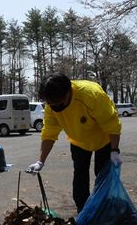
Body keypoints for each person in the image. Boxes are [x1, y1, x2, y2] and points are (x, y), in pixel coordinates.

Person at [27, 73, 123, 214]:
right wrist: (40, 161)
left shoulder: (91, 95)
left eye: (58, 103)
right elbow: (49, 133)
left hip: (103, 139)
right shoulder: (52, 105)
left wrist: (114, 150)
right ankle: (83, 210)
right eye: (51, 104)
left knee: (102, 175)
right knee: (80, 175)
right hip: (78, 141)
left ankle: (103, 210)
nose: (55, 107)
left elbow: (112, 123)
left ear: (68, 92)